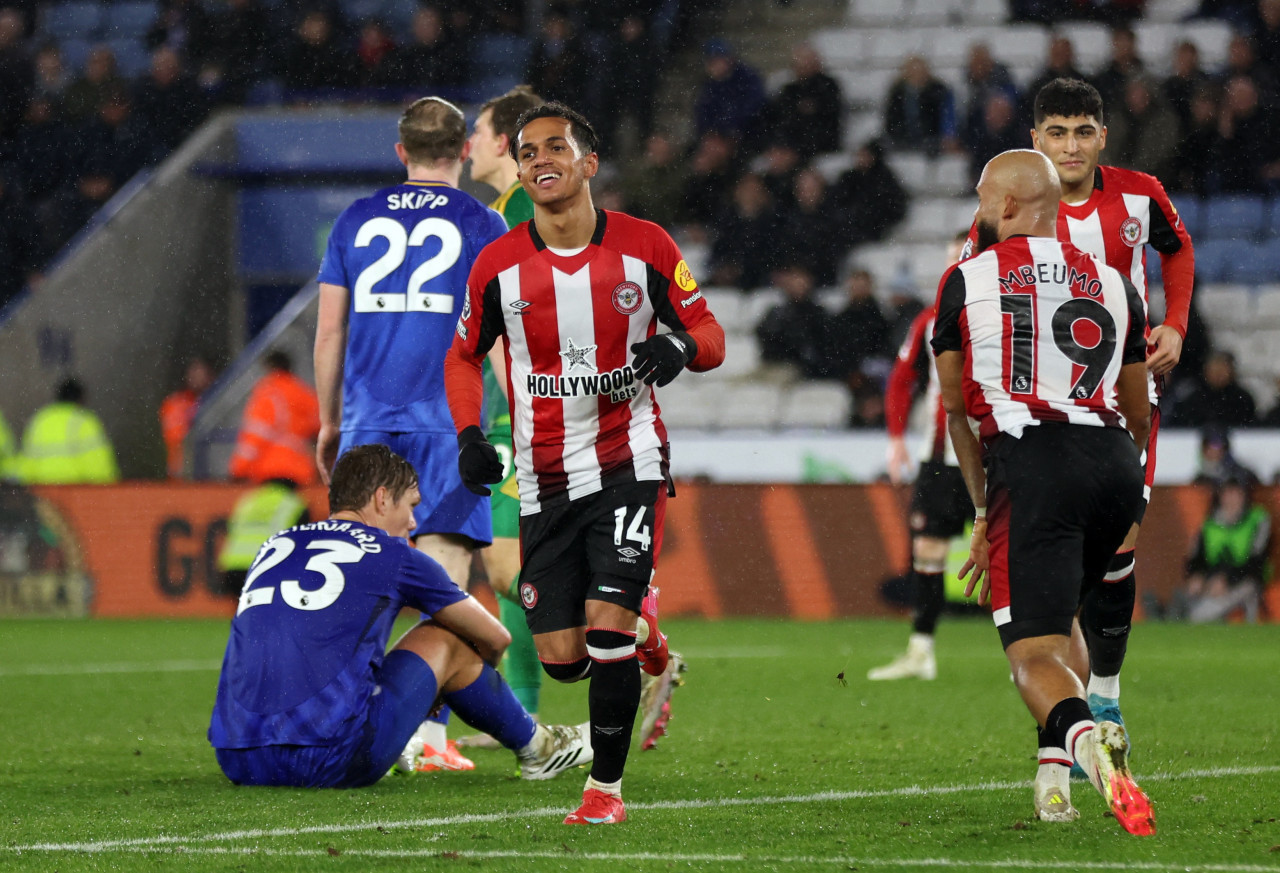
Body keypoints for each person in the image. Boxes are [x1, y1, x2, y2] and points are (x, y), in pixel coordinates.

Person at [444, 102, 725, 824]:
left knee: (605, 626)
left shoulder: (646, 246)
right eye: (528, 149)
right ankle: (648, 640)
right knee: (566, 656)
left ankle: (605, 791)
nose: (541, 159)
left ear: (588, 163)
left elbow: (709, 331)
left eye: (557, 147)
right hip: (541, 476)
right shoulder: (498, 263)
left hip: (627, 459)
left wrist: (679, 347)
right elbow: (463, 354)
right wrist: (469, 432)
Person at [963, 78, 1196, 797]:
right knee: (1057, 576)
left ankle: (1102, 693)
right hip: (1038, 417)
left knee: (1117, 547)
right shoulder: (1010, 210)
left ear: (1103, 136)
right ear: (1035, 138)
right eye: (1057, 132)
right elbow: (973, 283)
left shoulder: (1138, 196)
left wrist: (1176, 324)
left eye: (1083, 131)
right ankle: (1063, 747)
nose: (1070, 145)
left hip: (1116, 398)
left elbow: (1177, 251)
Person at [936, 149, 1154, 834]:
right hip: (1116, 461)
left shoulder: (965, 279)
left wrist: (982, 510)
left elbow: (955, 411)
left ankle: (1091, 748)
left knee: (1031, 654)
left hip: (1033, 463)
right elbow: (1139, 404)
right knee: (1063, 625)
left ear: (1005, 206)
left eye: (981, 197)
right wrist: (1126, 471)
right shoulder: (1116, 282)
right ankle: (1053, 780)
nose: (977, 208)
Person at [208, 443, 593, 788]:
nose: (413, 523)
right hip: (327, 758)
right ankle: (537, 747)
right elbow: (496, 638)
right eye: (410, 506)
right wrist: (449, 683)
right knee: (449, 636)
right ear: (381, 499)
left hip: (238, 757)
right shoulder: (395, 555)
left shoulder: (276, 544)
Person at [314, 96, 508, 773]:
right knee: (444, 570)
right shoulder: (482, 222)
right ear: (460, 152)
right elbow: (502, 328)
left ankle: (330, 710)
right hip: (446, 421)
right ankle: (426, 738)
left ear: (401, 152)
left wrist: (330, 418)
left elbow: (330, 329)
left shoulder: (355, 218)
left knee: (356, 578)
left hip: (368, 419)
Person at [464, 84, 545, 722]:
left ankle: (631, 639)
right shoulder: (505, 206)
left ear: (503, 145)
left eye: (480, 129)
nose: (468, 142)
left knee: (502, 563)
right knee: (502, 566)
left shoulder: (519, 206)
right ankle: (520, 708)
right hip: (506, 405)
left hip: (515, 409)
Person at [868, 233, 972, 681]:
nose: (955, 266)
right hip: (942, 459)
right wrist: (895, 439)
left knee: (1020, 555)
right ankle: (921, 651)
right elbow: (900, 379)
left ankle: (1034, 654)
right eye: (950, 259)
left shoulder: (1011, 312)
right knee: (928, 550)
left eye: (962, 257)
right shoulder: (929, 320)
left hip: (998, 456)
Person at [1171, 471, 1272, 623]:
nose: (1231, 499)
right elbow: (1196, 558)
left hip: (1246, 581)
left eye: (1236, 493)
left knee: (1199, 615)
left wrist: (1228, 579)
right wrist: (1197, 576)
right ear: (1220, 496)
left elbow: (1256, 562)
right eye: (1227, 493)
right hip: (1212, 580)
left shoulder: (1258, 520)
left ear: (1245, 496)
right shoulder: (1209, 524)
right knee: (1181, 598)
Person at [228, 350, 319, 487]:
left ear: (270, 368)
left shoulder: (269, 392)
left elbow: (257, 434)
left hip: (272, 469)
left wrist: (239, 468)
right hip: (301, 470)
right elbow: (320, 429)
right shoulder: (304, 393)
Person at [215, 477, 310, 596]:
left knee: (243, 609)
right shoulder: (293, 502)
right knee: (270, 610)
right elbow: (302, 539)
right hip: (267, 564)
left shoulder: (249, 499)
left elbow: (231, 528)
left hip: (234, 564)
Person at [20, 378, 120, 484]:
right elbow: (100, 468)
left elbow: (26, 465)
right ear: (81, 398)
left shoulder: (40, 420)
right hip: (76, 493)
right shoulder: (84, 421)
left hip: (43, 493)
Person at [160, 356, 214, 479]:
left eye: (202, 372)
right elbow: (176, 436)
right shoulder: (176, 403)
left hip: (211, 474)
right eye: (194, 371)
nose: (197, 377)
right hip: (182, 474)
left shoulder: (214, 402)